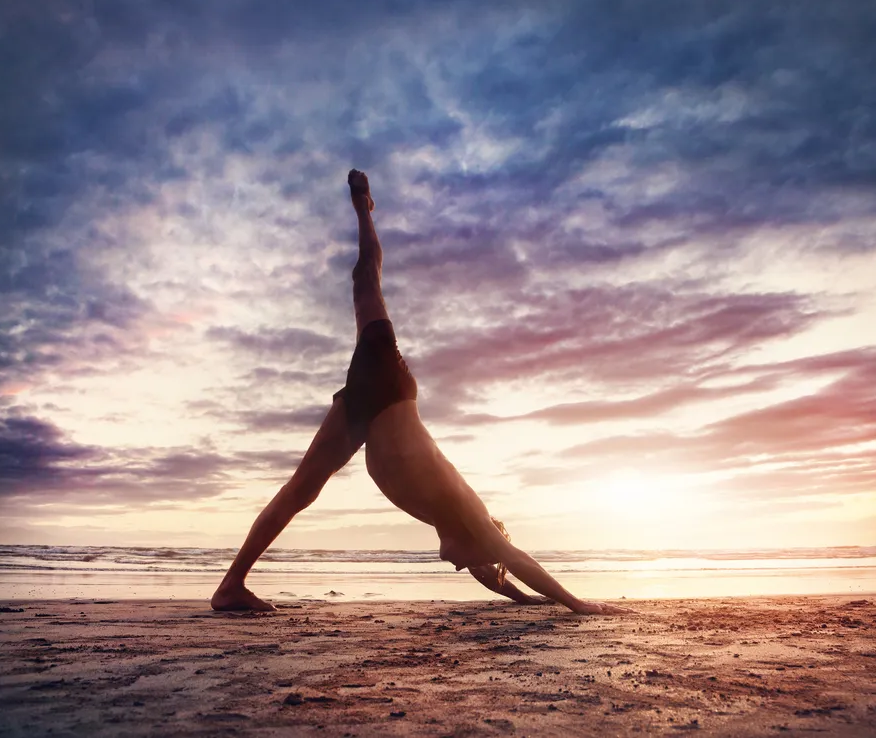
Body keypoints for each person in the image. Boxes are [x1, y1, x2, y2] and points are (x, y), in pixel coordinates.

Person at [211, 170, 627, 615]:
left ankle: (230, 587)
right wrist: (578, 605)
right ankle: (363, 209)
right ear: (480, 540)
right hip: (387, 383)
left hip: (364, 414)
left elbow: (503, 578)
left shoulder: (457, 532)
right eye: (474, 561)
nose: (458, 568)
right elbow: (514, 559)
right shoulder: (466, 509)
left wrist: (527, 602)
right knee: (365, 279)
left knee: (301, 491)